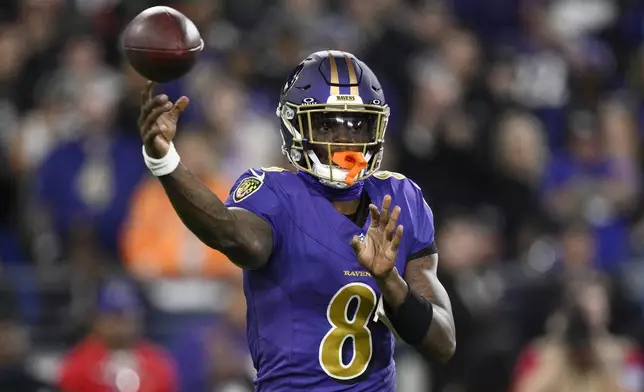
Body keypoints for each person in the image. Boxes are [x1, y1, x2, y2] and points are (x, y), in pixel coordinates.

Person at [137, 50, 456, 391]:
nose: (344, 138)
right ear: (294, 126)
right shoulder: (275, 192)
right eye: (326, 124)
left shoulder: (401, 198)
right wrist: (166, 163)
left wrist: (390, 281)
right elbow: (229, 234)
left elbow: (442, 343)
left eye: (357, 123)